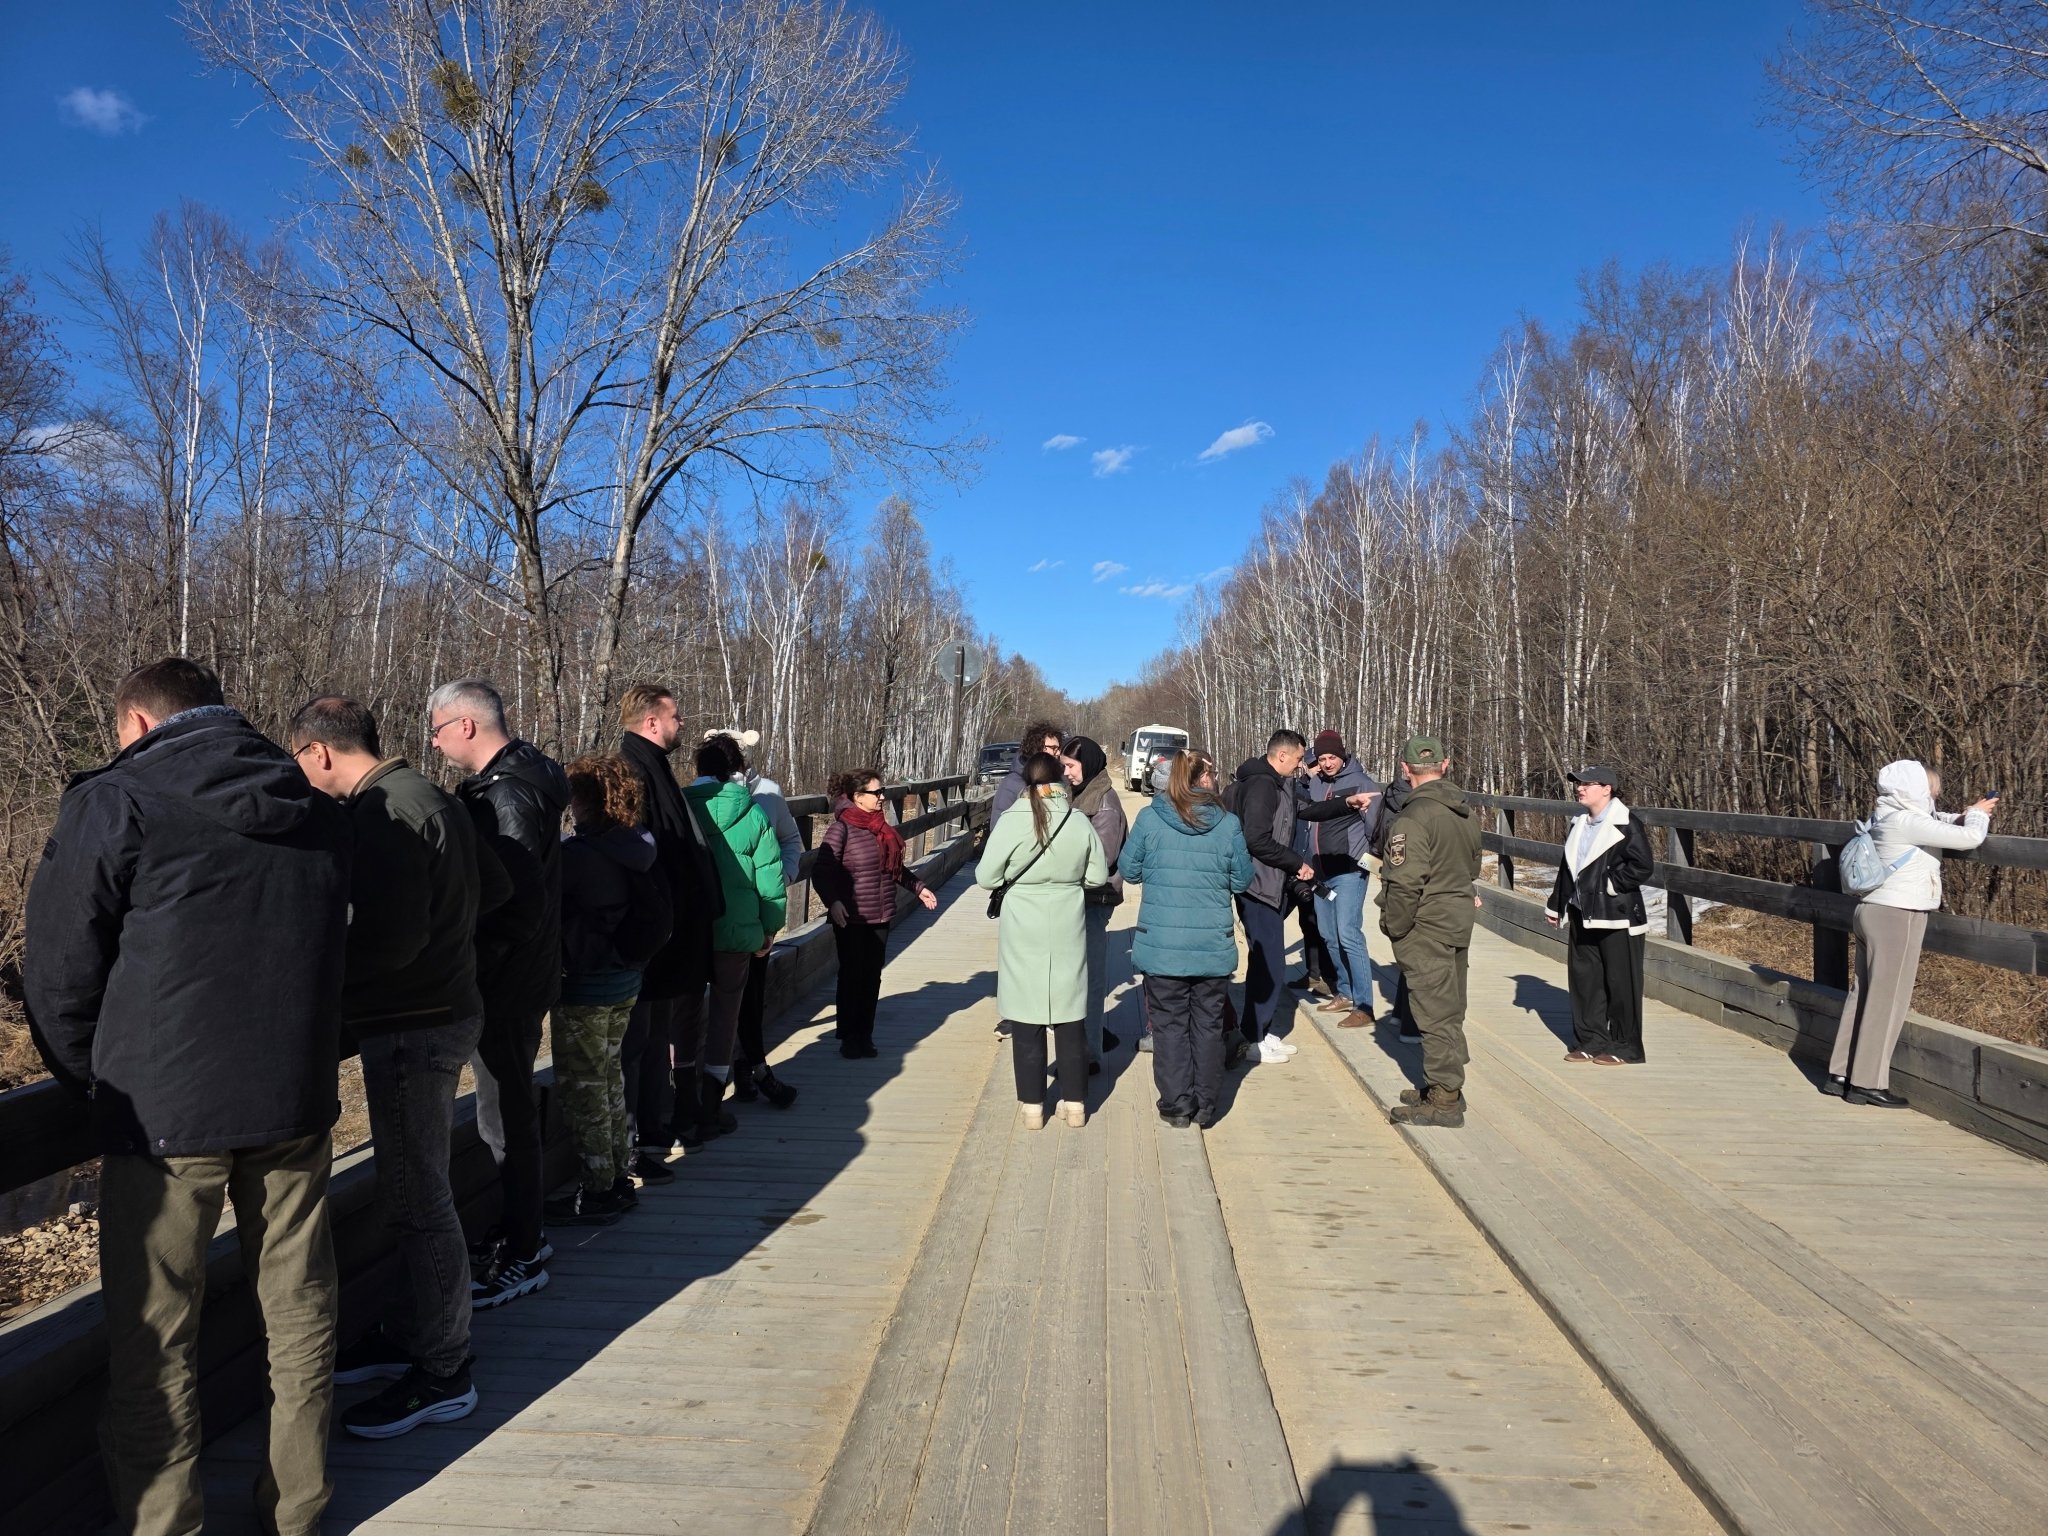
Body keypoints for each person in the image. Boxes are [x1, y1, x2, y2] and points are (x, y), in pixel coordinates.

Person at [24, 658, 351, 1536]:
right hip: (291, 1101)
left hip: (165, 1112)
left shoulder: (117, 802)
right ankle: (299, 1507)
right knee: (300, 1312)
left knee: (155, 1333)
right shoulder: (313, 804)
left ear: (136, 723)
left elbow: (58, 969)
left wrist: (96, 1076)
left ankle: (162, 1522)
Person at [292, 696, 510, 1439]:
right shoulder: (434, 796)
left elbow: (388, 942)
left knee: (419, 1199)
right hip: (451, 1007)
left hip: (411, 1026)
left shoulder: (378, 814)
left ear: (320, 752)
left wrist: (320, 985)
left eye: (299, 763)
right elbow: (501, 890)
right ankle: (420, 1334)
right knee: (419, 1192)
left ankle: (445, 1370)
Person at [425, 676, 570, 1308]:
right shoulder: (525, 776)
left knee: (502, 1109)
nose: (434, 746)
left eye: (436, 731)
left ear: (465, 726)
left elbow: (514, 903)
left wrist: (467, 965)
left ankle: (525, 1247)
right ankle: (520, 1229)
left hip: (506, 978)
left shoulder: (507, 796)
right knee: (505, 1104)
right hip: (524, 970)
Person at [1824, 761, 1997, 1107]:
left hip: (1871, 910)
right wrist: (1978, 815)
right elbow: (1970, 838)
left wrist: (1964, 813)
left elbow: (1935, 823)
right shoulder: (1907, 821)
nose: (1936, 792)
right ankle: (1866, 1083)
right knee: (1888, 1001)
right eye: (1931, 786)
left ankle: (1840, 1073)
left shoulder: (1887, 815)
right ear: (1916, 790)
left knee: (1864, 994)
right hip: (1897, 916)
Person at [547, 755, 673, 1224]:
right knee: (610, 1081)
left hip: (585, 984)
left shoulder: (580, 856)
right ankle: (618, 1178)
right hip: (626, 980)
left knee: (585, 1094)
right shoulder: (637, 844)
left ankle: (599, 1191)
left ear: (586, 799)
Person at [615, 683, 725, 1178]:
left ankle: (655, 1132)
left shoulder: (654, 767)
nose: (682, 723)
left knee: (656, 1037)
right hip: (649, 938)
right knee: (637, 1041)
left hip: (669, 934)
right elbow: (637, 855)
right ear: (652, 723)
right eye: (675, 716)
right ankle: (635, 1142)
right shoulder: (631, 770)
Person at [1121, 750, 1254, 1128]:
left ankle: (1177, 1105)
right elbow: (1243, 880)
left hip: (1161, 947)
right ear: (1202, 780)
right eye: (1211, 773)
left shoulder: (1149, 819)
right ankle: (1206, 1106)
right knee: (1208, 1027)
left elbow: (1129, 871)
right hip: (1211, 946)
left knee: (1169, 1028)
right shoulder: (1228, 825)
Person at [976, 751, 1109, 1128]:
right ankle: (1076, 1106)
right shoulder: (1076, 819)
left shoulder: (1012, 820)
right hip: (1067, 923)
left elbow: (986, 876)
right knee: (1069, 1017)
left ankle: (1033, 1108)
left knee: (1026, 1017)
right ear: (1059, 781)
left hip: (1022, 928)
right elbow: (1097, 876)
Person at [1229, 729, 1367, 1063]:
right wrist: (1297, 864)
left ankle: (1260, 1030)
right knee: (1268, 964)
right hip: (1258, 887)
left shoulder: (1282, 783)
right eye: (1298, 757)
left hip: (1272, 886)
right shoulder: (1262, 786)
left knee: (1268, 964)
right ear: (1280, 756)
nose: (1302, 764)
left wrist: (1346, 804)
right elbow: (1256, 839)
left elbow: (1308, 810)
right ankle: (1252, 1038)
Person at [678, 738, 788, 1145]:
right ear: (735, 769)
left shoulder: (680, 805)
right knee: (725, 1018)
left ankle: (681, 1102)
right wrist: (769, 929)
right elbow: (770, 877)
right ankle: (711, 1107)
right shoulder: (752, 812)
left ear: (698, 765)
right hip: (737, 933)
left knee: (686, 1015)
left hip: (689, 933)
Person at [1377, 736, 1484, 1128]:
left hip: (1427, 924)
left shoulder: (1413, 818)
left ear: (1405, 770)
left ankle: (1444, 1100)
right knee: (1451, 1007)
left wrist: (1395, 926)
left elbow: (1405, 883)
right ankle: (1442, 1084)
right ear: (1446, 765)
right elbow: (1472, 868)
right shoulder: (1465, 814)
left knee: (1434, 1013)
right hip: (1457, 919)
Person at [704, 729, 802, 1108]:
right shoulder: (702, 796)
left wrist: (786, 874)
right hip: (717, 919)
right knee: (714, 1000)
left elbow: (791, 841)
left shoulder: (770, 795)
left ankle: (746, 1069)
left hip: (756, 916)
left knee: (751, 995)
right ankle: (722, 1078)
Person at [813, 766, 940, 1057]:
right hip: (851, 915)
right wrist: (833, 902)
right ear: (858, 797)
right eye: (877, 792)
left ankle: (864, 1035)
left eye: (882, 792)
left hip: (881, 913)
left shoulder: (881, 828)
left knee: (871, 977)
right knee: (852, 976)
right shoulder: (841, 828)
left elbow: (893, 869)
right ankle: (848, 1036)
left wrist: (918, 887)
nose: (882, 797)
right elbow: (821, 871)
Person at [1543, 767, 1655, 1065]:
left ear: (1607, 788)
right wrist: (1556, 905)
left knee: (1621, 983)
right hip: (1582, 914)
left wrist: (1607, 885)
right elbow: (1568, 868)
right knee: (1586, 980)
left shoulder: (1626, 823)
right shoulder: (1578, 822)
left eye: (1586, 784)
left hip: (1616, 916)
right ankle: (1591, 1040)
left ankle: (1625, 1047)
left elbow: (1642, 866)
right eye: (1578, 784)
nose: (1579, 788)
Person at [1301, 730, 1383, 1027]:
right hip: (1321, 874)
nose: (1327, 763)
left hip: (1349, 872)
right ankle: (1345, 992)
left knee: (1349, 934)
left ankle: (1364, 1006)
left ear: (1342, 755)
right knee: (1328, 935)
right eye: (1321, 758)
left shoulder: (1361, 784)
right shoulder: (1314, 784)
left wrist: (1370, 862)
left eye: (1332, 757)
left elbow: (1375, 830)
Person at [1063, 735, 1128, 1066]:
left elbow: (1102, 860)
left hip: (1093, 901)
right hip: (1075, 900)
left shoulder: (1104, 802)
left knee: (1088, 981)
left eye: (1071, 766)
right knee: (1074, 981)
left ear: (1086, 765)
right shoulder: (1079, 794)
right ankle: (1080, 1046)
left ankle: (1088, 1054)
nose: (1066, 772)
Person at [1371, 768, 1419, 1039]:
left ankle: (1400, 1012)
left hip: (1389, 872)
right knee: (1417, 949)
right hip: (1411, 879)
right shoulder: (1419, 803)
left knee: (1404, 943)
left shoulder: (1391, 793)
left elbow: (1377, 831)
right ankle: (1411, 1025)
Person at [990, 718, 1066, 821]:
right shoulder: (1012, 784)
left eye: (1059, 749)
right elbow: (998, 825)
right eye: (1053, 748)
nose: (1057, 753)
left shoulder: (1060, 780)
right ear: (1038, 747)